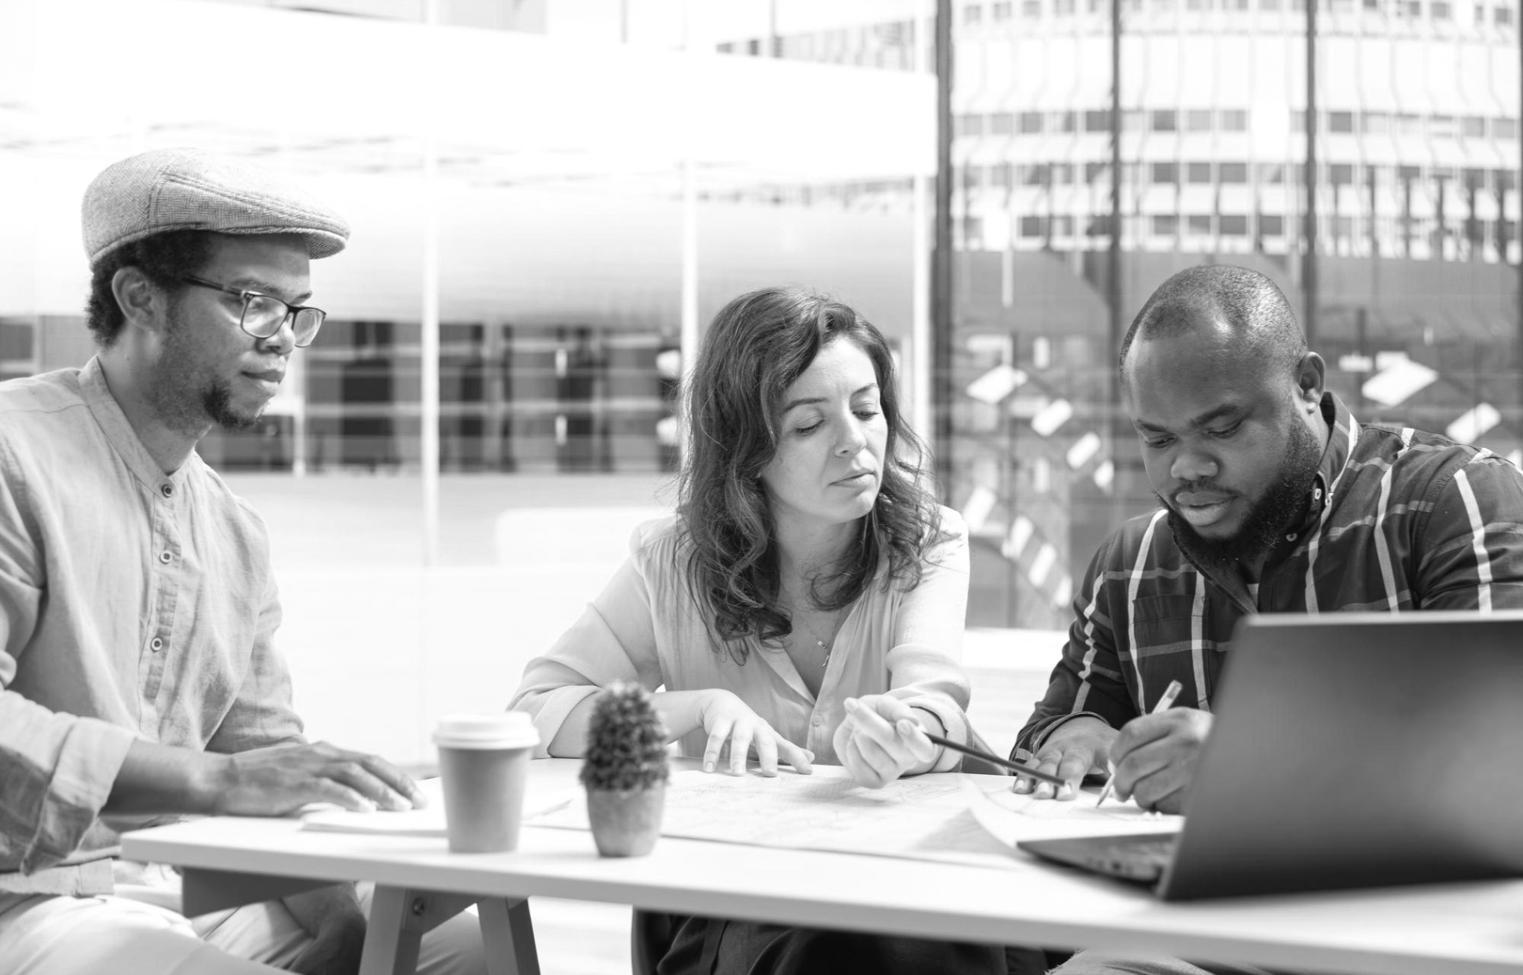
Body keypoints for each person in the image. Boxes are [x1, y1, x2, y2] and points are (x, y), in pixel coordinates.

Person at [0, 149, 484, 975]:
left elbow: (261, 751)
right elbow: (230, 777)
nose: (284, 340)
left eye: (297, 311)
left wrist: (342, 928)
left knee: (462, 943)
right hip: (33, 895)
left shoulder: (233, 528)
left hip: (186, 888)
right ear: (139, 296)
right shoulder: (15, 451)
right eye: (253, 303)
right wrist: (212, 783)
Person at [1011, 264, 1523, 975]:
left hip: (1420, 936)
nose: (1185, 468)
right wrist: (1076, 738)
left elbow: (1502, 753)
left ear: (1306, 384)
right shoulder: (1130, 563)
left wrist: (1245, 771)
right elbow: (1045, 733)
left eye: (1220, 427)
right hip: (1201, 938)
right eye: (1156, 439)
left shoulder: (1451, 499)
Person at [510, 287, 1026, 974]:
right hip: (736, 900)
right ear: (747, 450)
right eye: (810, 425)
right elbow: (535, 709)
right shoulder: (670, 560)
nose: (855, 442)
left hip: (902, 886)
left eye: (867, 410)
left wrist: (904, 735)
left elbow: (932, 691)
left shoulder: (926, 540)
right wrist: (692, 707)